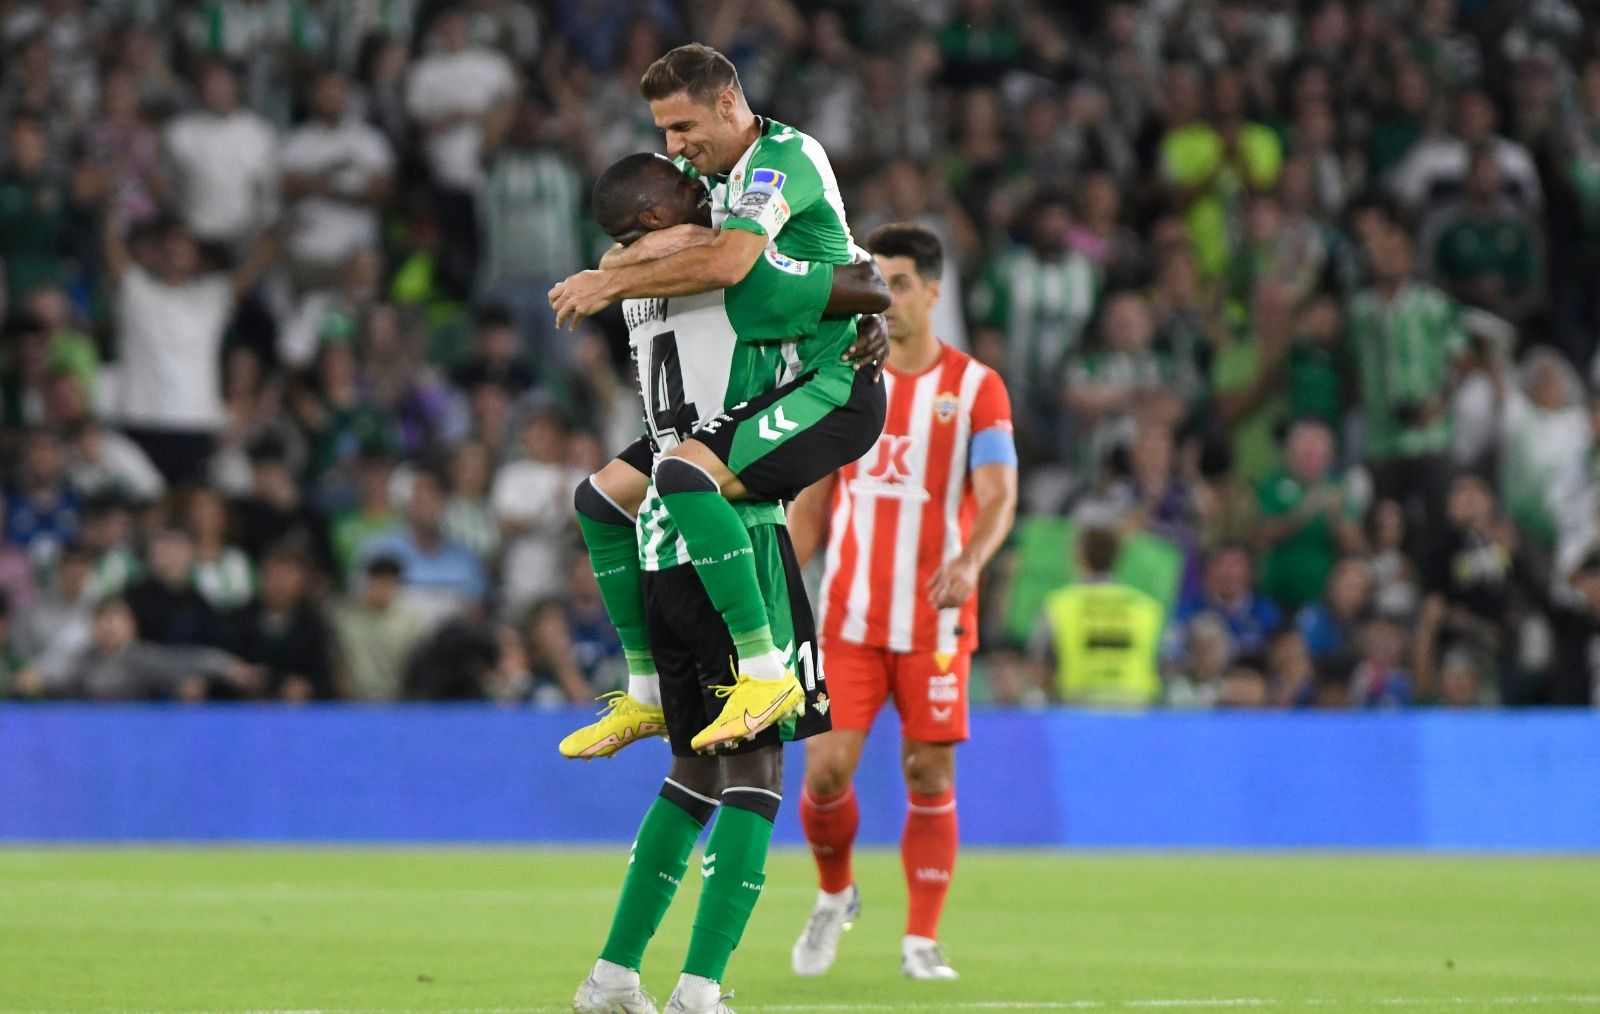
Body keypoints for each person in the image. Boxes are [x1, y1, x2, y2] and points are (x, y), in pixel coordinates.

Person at [566, 156, 887, 1014]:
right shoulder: (711, 265)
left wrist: (609, 267)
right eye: (686, 196)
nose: (707, 197)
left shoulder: (638, 288)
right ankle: (702, 988)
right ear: (652, 223)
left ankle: (611, 975)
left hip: (663, 547)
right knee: (757, 772)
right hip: (733, 540)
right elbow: (815, 277)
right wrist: (866, 318)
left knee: (692, 773)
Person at [550, 43, 887, 758]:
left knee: (684, 475)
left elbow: (735, 262)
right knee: (602, 499)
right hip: (759, 383)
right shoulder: (711, 178)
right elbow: (632, 243)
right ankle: (643, 693)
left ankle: (764, 671)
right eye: (663, 132)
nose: (672, 149)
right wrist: (626, 262)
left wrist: (610, 282)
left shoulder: (779, 162)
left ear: (728, 104)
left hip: (829, 379)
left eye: (680, 129)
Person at [784, 223, 1017, 981]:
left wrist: (971, 560)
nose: (889, 297)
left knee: (928, 775)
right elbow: (814, 506)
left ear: (934, 292)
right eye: (877, 282)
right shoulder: (843, 380)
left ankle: (921, 938)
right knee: (823, 774)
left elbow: (998, 496)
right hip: (847, 617)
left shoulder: (976, 387)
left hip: (936, 621)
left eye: (903, 283)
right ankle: (833, 893)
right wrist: (778, 572)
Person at [1033, 526, 1166, 708]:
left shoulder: (1060, 605)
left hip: (1079, 707)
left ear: (1080, 557)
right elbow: (1162, 664)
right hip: (1136, 709)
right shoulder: (1146, 608)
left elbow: (1040, 667)